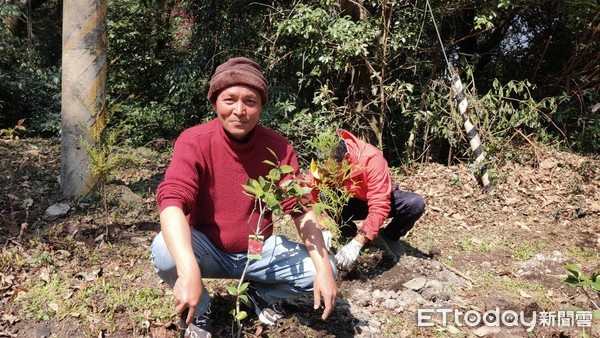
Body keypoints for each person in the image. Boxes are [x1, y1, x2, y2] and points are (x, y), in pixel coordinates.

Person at [150, 57, 337, 338]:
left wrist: (323, 269)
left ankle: (259, 294)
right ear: (214, 102)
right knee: (164, 251)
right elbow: (172, 201)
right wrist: (188, 270)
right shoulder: (194, 141)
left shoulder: (277, 148)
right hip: (207, 247)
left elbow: (300, 209)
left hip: (257, 251)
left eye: (250, 101)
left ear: (261, 106)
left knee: (325, 267)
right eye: (229, 100)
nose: (239, 110)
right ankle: (199, 310)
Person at [309, 129, 425, 270]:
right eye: (326, 174)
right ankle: (347, 233)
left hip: (378, 198)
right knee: (325, 195)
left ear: (346, 158)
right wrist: (322, 227)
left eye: (333, 174)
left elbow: (379, 204)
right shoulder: (322, 162)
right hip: (350, 200)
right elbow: (311, 196)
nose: (329, 177)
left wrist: (358, 242)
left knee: (415, 203)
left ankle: (389, 235)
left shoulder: (371, 158)